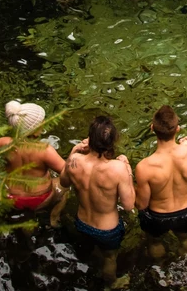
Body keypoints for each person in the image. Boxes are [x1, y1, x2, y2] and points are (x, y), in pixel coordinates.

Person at [59, 116, 134, 283]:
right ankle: (111, 284)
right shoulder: (117, 168)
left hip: (82, 223)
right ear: (112, 142)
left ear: (89, 139)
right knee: (109, 258)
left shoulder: (75, 160)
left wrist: (74, 151)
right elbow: (129, 205)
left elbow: (63, 182)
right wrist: (128, 169)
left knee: (88, 249)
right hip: (107, 231)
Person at [0, 101, 67, 225]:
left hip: (10, 197)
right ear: (35, 129)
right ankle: (55, 215)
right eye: (41, 122)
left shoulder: (5, 143)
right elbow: (68, 173)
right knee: (63, 187)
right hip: (40, 199)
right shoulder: (45, 150)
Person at [134, 105, 187, 257]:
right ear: (177, 129)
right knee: (186, 242)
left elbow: (142, 204)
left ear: (152, 128)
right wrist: (186, 147)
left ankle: (159, 269)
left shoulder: (144, 167)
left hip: (157, 217)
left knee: (155, 243)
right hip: (186, 214)